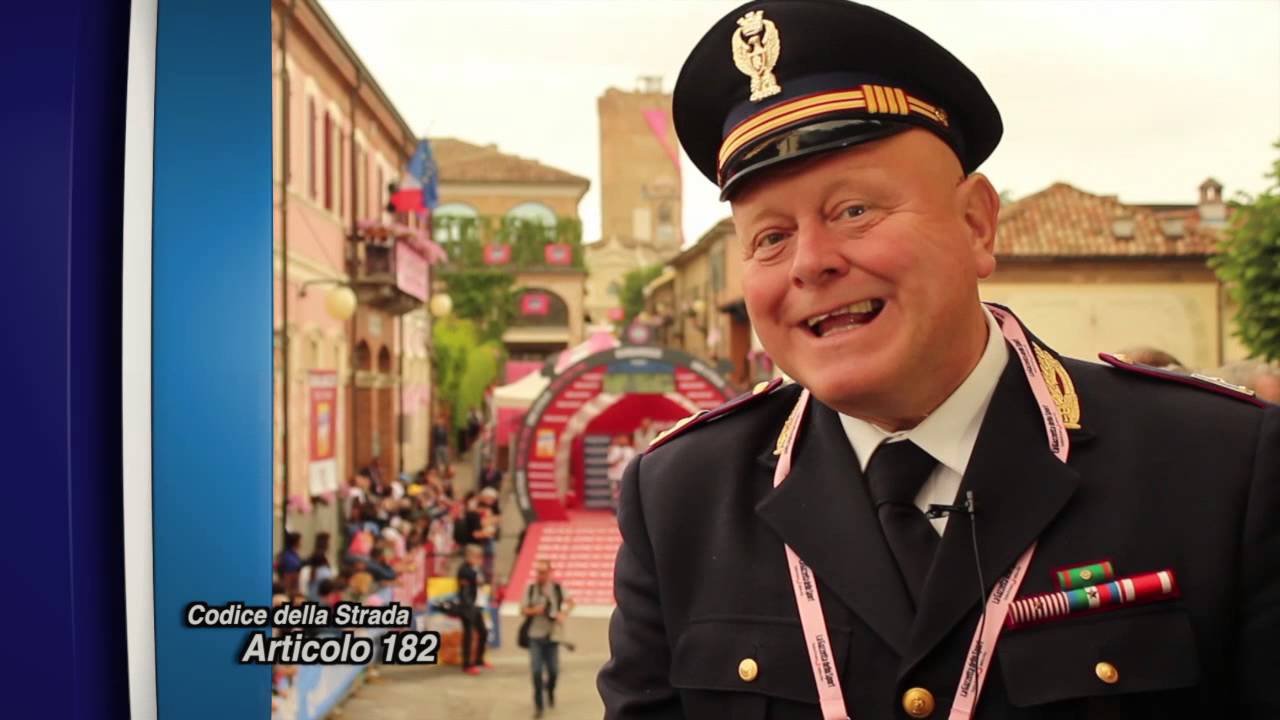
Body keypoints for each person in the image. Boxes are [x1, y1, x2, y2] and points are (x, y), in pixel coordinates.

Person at [597, 2, 1280, 718]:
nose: (811, 264)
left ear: (977, 224)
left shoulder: (1220, 468)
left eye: (853, 210)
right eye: (769, 238)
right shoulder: (680, 497)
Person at [522, 559, 575, 718]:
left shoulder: (558, 589)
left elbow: (571, 602)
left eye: (543, 572)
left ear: (550, 573)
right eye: (538, 572)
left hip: (553, 636)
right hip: (535, 635)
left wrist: (563, 613)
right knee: (536, 671)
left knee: (553, 672)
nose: (540, 575)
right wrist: (534, 610)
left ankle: (550, 690)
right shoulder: (531, 589)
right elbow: (523, 609)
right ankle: (539, 705)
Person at [456, 543, 491, 675]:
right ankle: (467, 664)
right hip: (467, 607)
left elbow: (484, 580)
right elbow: (470, 583)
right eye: (476, 556)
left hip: (477, 605)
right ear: (469, 556)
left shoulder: (477, 569)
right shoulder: (464, 570)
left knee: (483, 632)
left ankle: (479, 659)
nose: (479, 559)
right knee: (468, 636)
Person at [605, 434, 636, 512]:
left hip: (625, 476)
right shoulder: (613, 449)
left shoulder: (630, 450)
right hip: (614, 477)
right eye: (621, 439)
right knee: (614, 495)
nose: (623, 441)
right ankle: (615, 511)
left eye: (625, 439)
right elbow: (609, 463)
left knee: (625, 494)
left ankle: (625, 511)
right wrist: (618, 459)